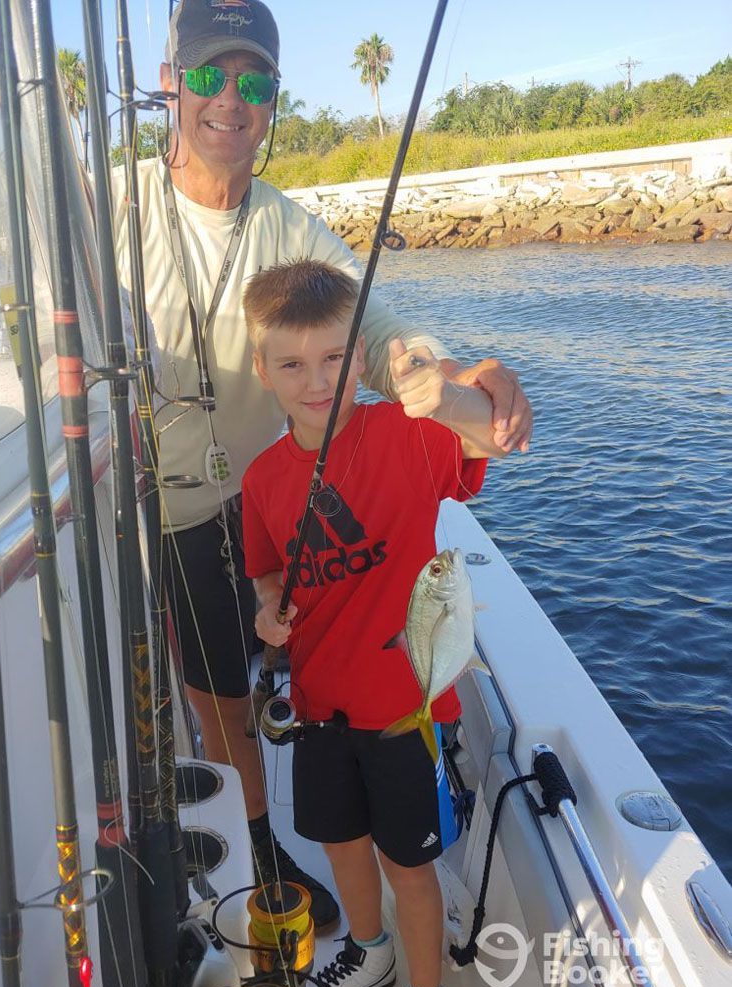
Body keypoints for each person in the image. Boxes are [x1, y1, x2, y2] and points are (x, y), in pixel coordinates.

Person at [112, 0, 532, 935]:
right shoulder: (112, 207)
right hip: (129, 496)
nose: (231, 100)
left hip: (240, 499)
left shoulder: (291, 228)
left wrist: (459, 379)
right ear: (171, 85)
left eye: (253, 81)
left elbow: (380, 334)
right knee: (159, 681)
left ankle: (261, 850)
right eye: (211, 76)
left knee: (224, 686)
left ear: (273, 103)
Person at [240, 258, 508, 987]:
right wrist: (266, 608)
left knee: (411, 870)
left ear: (359, 356)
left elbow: (492, 436)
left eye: (331, 358)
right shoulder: (259, 480)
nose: (315, 379)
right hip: (320, 704)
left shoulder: (405, 436)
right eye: (290, 363)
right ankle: (370, 952)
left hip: (408, 710)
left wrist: (451, 395)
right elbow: (266, 567)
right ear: (262, 371)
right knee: (342, 848)